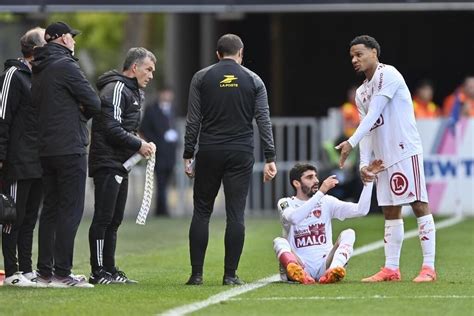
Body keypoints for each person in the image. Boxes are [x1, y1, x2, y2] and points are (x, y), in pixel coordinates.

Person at [336, 35, 437, 282]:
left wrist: (351, 142)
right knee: (390, 209)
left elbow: (375, 114)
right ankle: (391, 269)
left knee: (418, 203)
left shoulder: (388, 74)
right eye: (351, 56)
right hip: (382, 158)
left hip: (404, 150)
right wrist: (362, 164)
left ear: (374, 52)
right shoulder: (361, 92)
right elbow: (368, 128)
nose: (354, 59)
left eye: (359, 54)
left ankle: (428, 268)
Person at [183, 34, 277, 286]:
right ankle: (230, 275)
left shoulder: (201, 78)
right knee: (236, 214)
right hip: (240, 151)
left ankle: (196, 275)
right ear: (241, 53)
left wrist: (188, 153)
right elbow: (263, 120)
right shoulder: (254, 80)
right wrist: (270, 156)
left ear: (217, 54)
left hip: (210, 150)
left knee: (202, 211)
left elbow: (193, 120)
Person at [31, 21, 101, 288]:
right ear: (60, 39)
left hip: (46, 149)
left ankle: (45, 273)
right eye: (71, 37)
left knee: (49, 209)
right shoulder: (67, 66)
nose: (74, 40)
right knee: (70, 210)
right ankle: (62, 273)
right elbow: (94, 102)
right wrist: (80, 114)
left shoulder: (39, 68)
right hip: (69, 147)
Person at [88, 47, 156, 285]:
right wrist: (139, 144)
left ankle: (110, 269)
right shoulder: (116, 88)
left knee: (114, 220)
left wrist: (141, 143)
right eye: (148, 69)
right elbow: (111, 127)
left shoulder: (136, 92)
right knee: (103, 218)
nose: (151, 75)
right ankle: (98, 273)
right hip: (107, 161)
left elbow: (127, 128)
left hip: (121, 163)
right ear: (134, 67)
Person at [274, 160, 383, 284]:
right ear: (296, 183)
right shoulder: (285, 203)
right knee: (279, 241)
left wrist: (368, 181)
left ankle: (334, 270)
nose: (316, 180)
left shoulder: (326, 201)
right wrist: (321, 192)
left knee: (349, 233)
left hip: (325, 264)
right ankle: (298, 273)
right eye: (309, 177)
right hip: (301, 264)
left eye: (316, 176)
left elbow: (361, 210)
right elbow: (294, 218)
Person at [0, 27, 46, 287]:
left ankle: (27, 269)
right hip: (18, 159)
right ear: (36, 48)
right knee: (12, 216)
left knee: (30, 217)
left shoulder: (40, 76)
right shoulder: (12, 75)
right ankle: (12, 271)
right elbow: (2, 116)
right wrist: (1, 154)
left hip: (38, 159)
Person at [140, 86, 178, 217]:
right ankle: (163, 210)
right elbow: (144, 129)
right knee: (160, 181)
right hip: (158, 151)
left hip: (170, 152)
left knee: (167, 182)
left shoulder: (171, 109)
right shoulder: (152, 109)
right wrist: (157, 141)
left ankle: (161, 209)